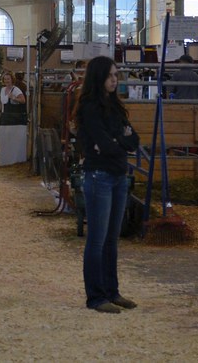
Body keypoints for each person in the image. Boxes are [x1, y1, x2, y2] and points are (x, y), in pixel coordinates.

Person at [73, 55, 138, 313]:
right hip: (99, 175)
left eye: (116, 75)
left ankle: (112, 291)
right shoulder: (90, 107)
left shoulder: (116, 107)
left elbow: (134, 140)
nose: (114, 80)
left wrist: (115, 141)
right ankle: (96, 297)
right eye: (110, 75)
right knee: (97, 240)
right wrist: (119, 140)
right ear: (99, 77)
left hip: (118, 175)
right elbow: (107, 143)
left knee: (112, 239)